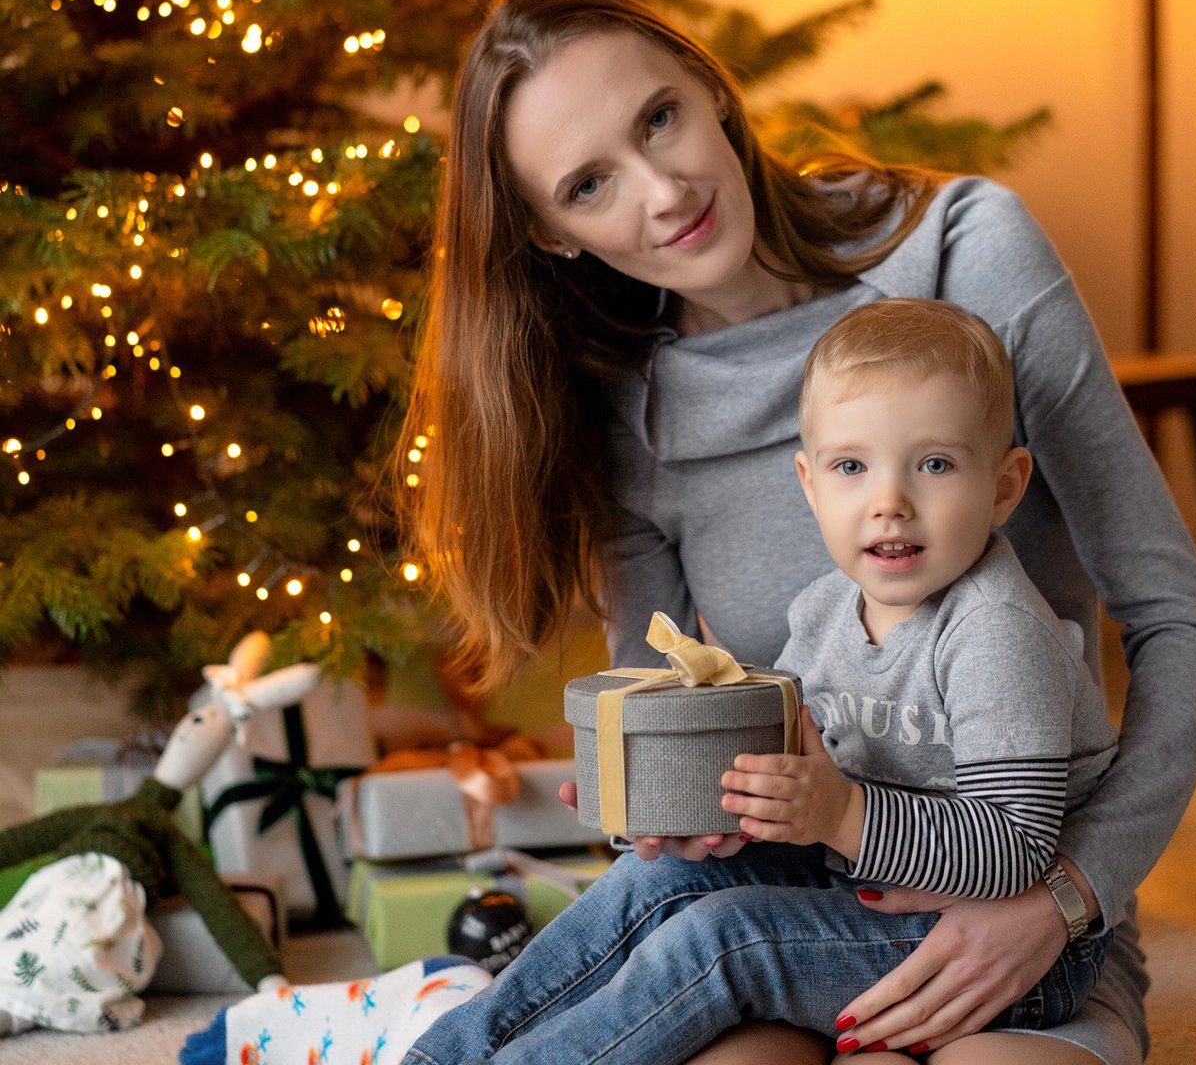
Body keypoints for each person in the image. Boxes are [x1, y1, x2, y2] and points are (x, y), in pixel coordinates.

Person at [395, 0, 1196, 1064]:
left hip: (1026, 925)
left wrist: (1066, 899)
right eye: (590, 183)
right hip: (787, 902)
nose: (663, 190)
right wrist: (669, 809)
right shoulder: (629, 407)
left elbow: (1183, 625)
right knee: (696, 972)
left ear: (709, 87)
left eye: (659, 117)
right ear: (548, 233)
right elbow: (669, 722)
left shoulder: (964, 253)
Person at [402, 298, 1120, 1065]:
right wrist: (672, 796)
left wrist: (843, 813)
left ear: (1005, 486)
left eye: (934, 464)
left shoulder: (998, 632)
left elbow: (1015, 850)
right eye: (852, 466)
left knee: (724, 941)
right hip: (858, 889)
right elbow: (787, 775)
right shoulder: (822, 613)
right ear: (809, 484)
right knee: (660, 883)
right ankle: (444, 1054)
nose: (890, 502)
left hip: (1006, 948)